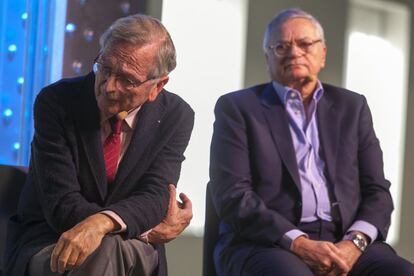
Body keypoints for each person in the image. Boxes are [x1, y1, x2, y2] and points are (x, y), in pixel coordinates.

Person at [209, 8, 414, 276]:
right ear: (268, 57)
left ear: (323, 54)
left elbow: (377, 192)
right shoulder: (237, 108)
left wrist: (354, 244)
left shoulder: (352, 107)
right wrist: (299, 243)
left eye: (305, 44)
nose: (294, 52)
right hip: (266, 242)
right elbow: (233, 197)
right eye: (281, 46)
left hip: (347, 240)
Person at [5, 14, 194, 276]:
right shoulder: (56, 101)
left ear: (157, 86)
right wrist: (139, 228)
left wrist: (102, 224)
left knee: (108, 249)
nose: (109, 87)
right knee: (107, 251)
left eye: (127, 80)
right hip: (52, 238)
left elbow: (155, 193)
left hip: (128, 247)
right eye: (104, 68)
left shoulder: (176, 115)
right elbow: (62, 203)